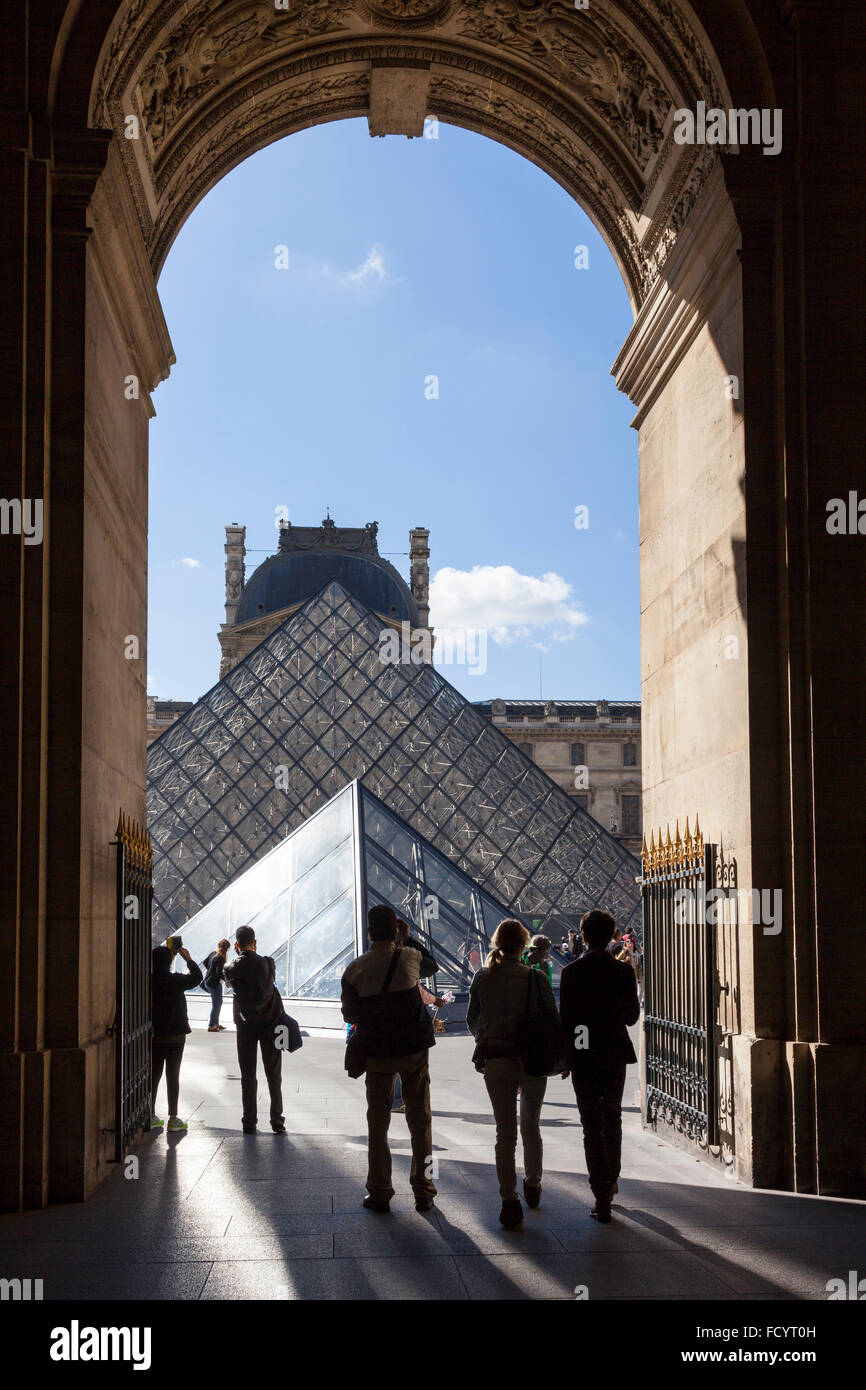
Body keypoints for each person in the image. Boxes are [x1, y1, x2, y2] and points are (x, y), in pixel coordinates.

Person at [341, 903, 439, 1213]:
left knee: (377, 1124)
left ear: (369, 932)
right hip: (413, 1051)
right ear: (395, 931)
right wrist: (405, 939)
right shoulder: (409, 957)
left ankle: (380, 1190)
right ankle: (425, 1189)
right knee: (421, 1123)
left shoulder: (355, 969)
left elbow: (350, 1014)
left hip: (378, 1053)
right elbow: (432, 965)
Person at [467, 918, 560, 1229]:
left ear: (496, 942)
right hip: (531, 1060)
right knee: (531, 1126)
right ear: (524, 944)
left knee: (504, 1132)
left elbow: (472, 1019)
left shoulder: (482, 977)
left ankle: (509, 1199)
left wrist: (486, 1035)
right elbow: (552, 1019)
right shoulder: (535, 978)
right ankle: (532, 1183)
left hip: (495, 1059)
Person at [559, 909, 640, 1223]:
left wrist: (571, 1055)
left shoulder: (571, 973)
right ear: (612, 936)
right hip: (614, 1052)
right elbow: (631, 1017)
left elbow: (569, 1023)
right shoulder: (622, 973)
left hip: (585, 1054)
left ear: (582, 935)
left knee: (590, 1123)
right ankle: (612, 1179)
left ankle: (601, 1192)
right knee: (613, 1117)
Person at [223, 925, 285, 1135]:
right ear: (255, 942)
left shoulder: (230, 968)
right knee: (274, 1074)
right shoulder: (268, 962)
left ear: (237, 945)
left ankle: (249, 1122)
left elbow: (221, 979)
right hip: (270, 1025)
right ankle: (277, 1120)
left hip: (246, 1027)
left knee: (248, 1075)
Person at [151, 940, 203, 1132]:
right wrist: (187, 958)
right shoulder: (176, 980)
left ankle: (149, 1114)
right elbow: (197, 977)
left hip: (154, 1035)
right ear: (169, 962)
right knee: (173, 1076)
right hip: (176, 1035)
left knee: (153, 1076)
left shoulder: (148, 980)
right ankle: (173, 1118)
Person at [202, 938, 230, 1031]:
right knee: (216, 1004)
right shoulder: (220, 957)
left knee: (218, 1003)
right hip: (214, 984)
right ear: (227, 949)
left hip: (208, 982)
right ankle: (211, 1025)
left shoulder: (212, 953)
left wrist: (211, 970)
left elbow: (205, 962)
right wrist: (226, 980)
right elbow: (219, 973)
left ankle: (216, 1023)